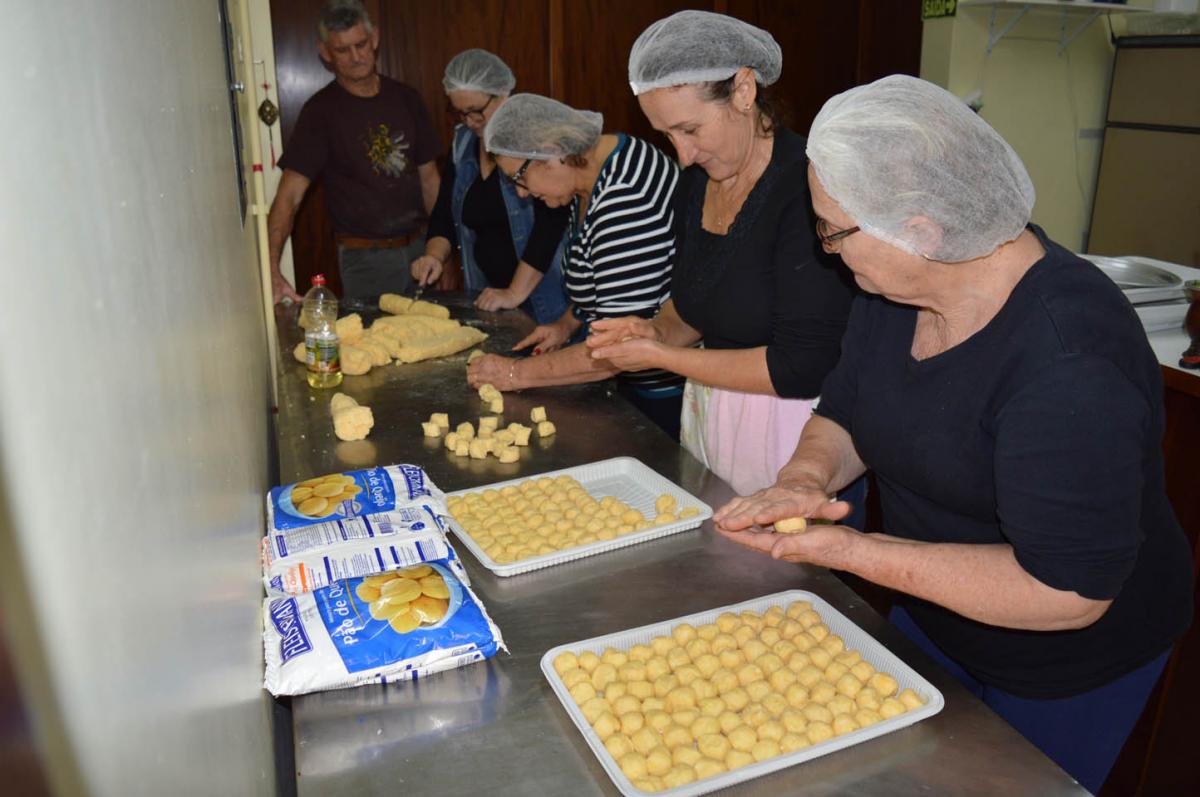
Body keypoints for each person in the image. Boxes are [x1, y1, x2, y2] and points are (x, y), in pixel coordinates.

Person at [714, 75, 1193, 794]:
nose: (825, 250)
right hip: (935, 616)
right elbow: (848, 407)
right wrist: (804, 479)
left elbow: (1067, 590)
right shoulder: (895, 291)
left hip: (1064, 661)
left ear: (921, 231)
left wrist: (852, 549)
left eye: (834, 231)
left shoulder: (1068, 362)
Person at [585, 10, 858, 502]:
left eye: (690, 129)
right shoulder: (696, 182)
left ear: (744, 91)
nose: (682, 154)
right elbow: (694, 303)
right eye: (666, 135)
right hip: (714, 422)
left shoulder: (806, 189)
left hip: (799, 440)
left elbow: (801, 366)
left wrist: (664, 357)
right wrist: (654, 330)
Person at [466, 94, 685, 439]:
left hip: (663, 393)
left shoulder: (625, 199)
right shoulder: (586, 179)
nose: (521, 194)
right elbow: (606, 279)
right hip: (630, 384)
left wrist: (513, 374)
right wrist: (567, 324)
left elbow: (617, 349)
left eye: (519, 177)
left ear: (553, 153)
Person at [267, 0, 441, 303]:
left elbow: (431, 182)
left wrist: (444, 251)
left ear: (374, 39)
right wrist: (270, 266)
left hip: (422, 252)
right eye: (342, 50)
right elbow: (289, 196)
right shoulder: (320, 113)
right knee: (375, 346)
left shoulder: (407, 99)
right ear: (325, 53)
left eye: (361, 44)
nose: (356, 57)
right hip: (365, 260)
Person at [411, 49, 569, 325]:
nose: (470, 122)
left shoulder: (536, 139)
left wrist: (513, 293)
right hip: (491, 297)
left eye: (476, 112)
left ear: (504, 93)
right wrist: (433, 257)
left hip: (543, 298)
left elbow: (550, 225)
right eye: (460, 113)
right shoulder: (463, 143)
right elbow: (445, 214)